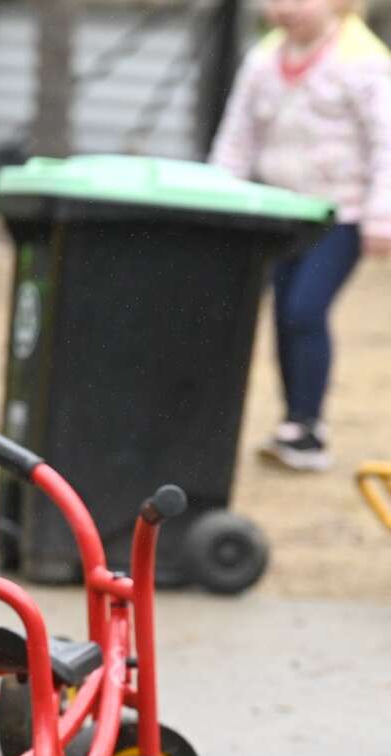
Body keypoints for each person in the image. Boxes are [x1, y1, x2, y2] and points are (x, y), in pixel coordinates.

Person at [211, 0, 391, 471]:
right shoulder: (263, 60)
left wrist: (382, 215)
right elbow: (237, 136)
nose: (283, 9)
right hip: (281, 212)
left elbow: (386, 142)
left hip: (341, 214)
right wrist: (216, 193)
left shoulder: (363, 62)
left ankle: (310, 426)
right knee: (283, 317)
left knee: (305, 310)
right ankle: (294, 423)